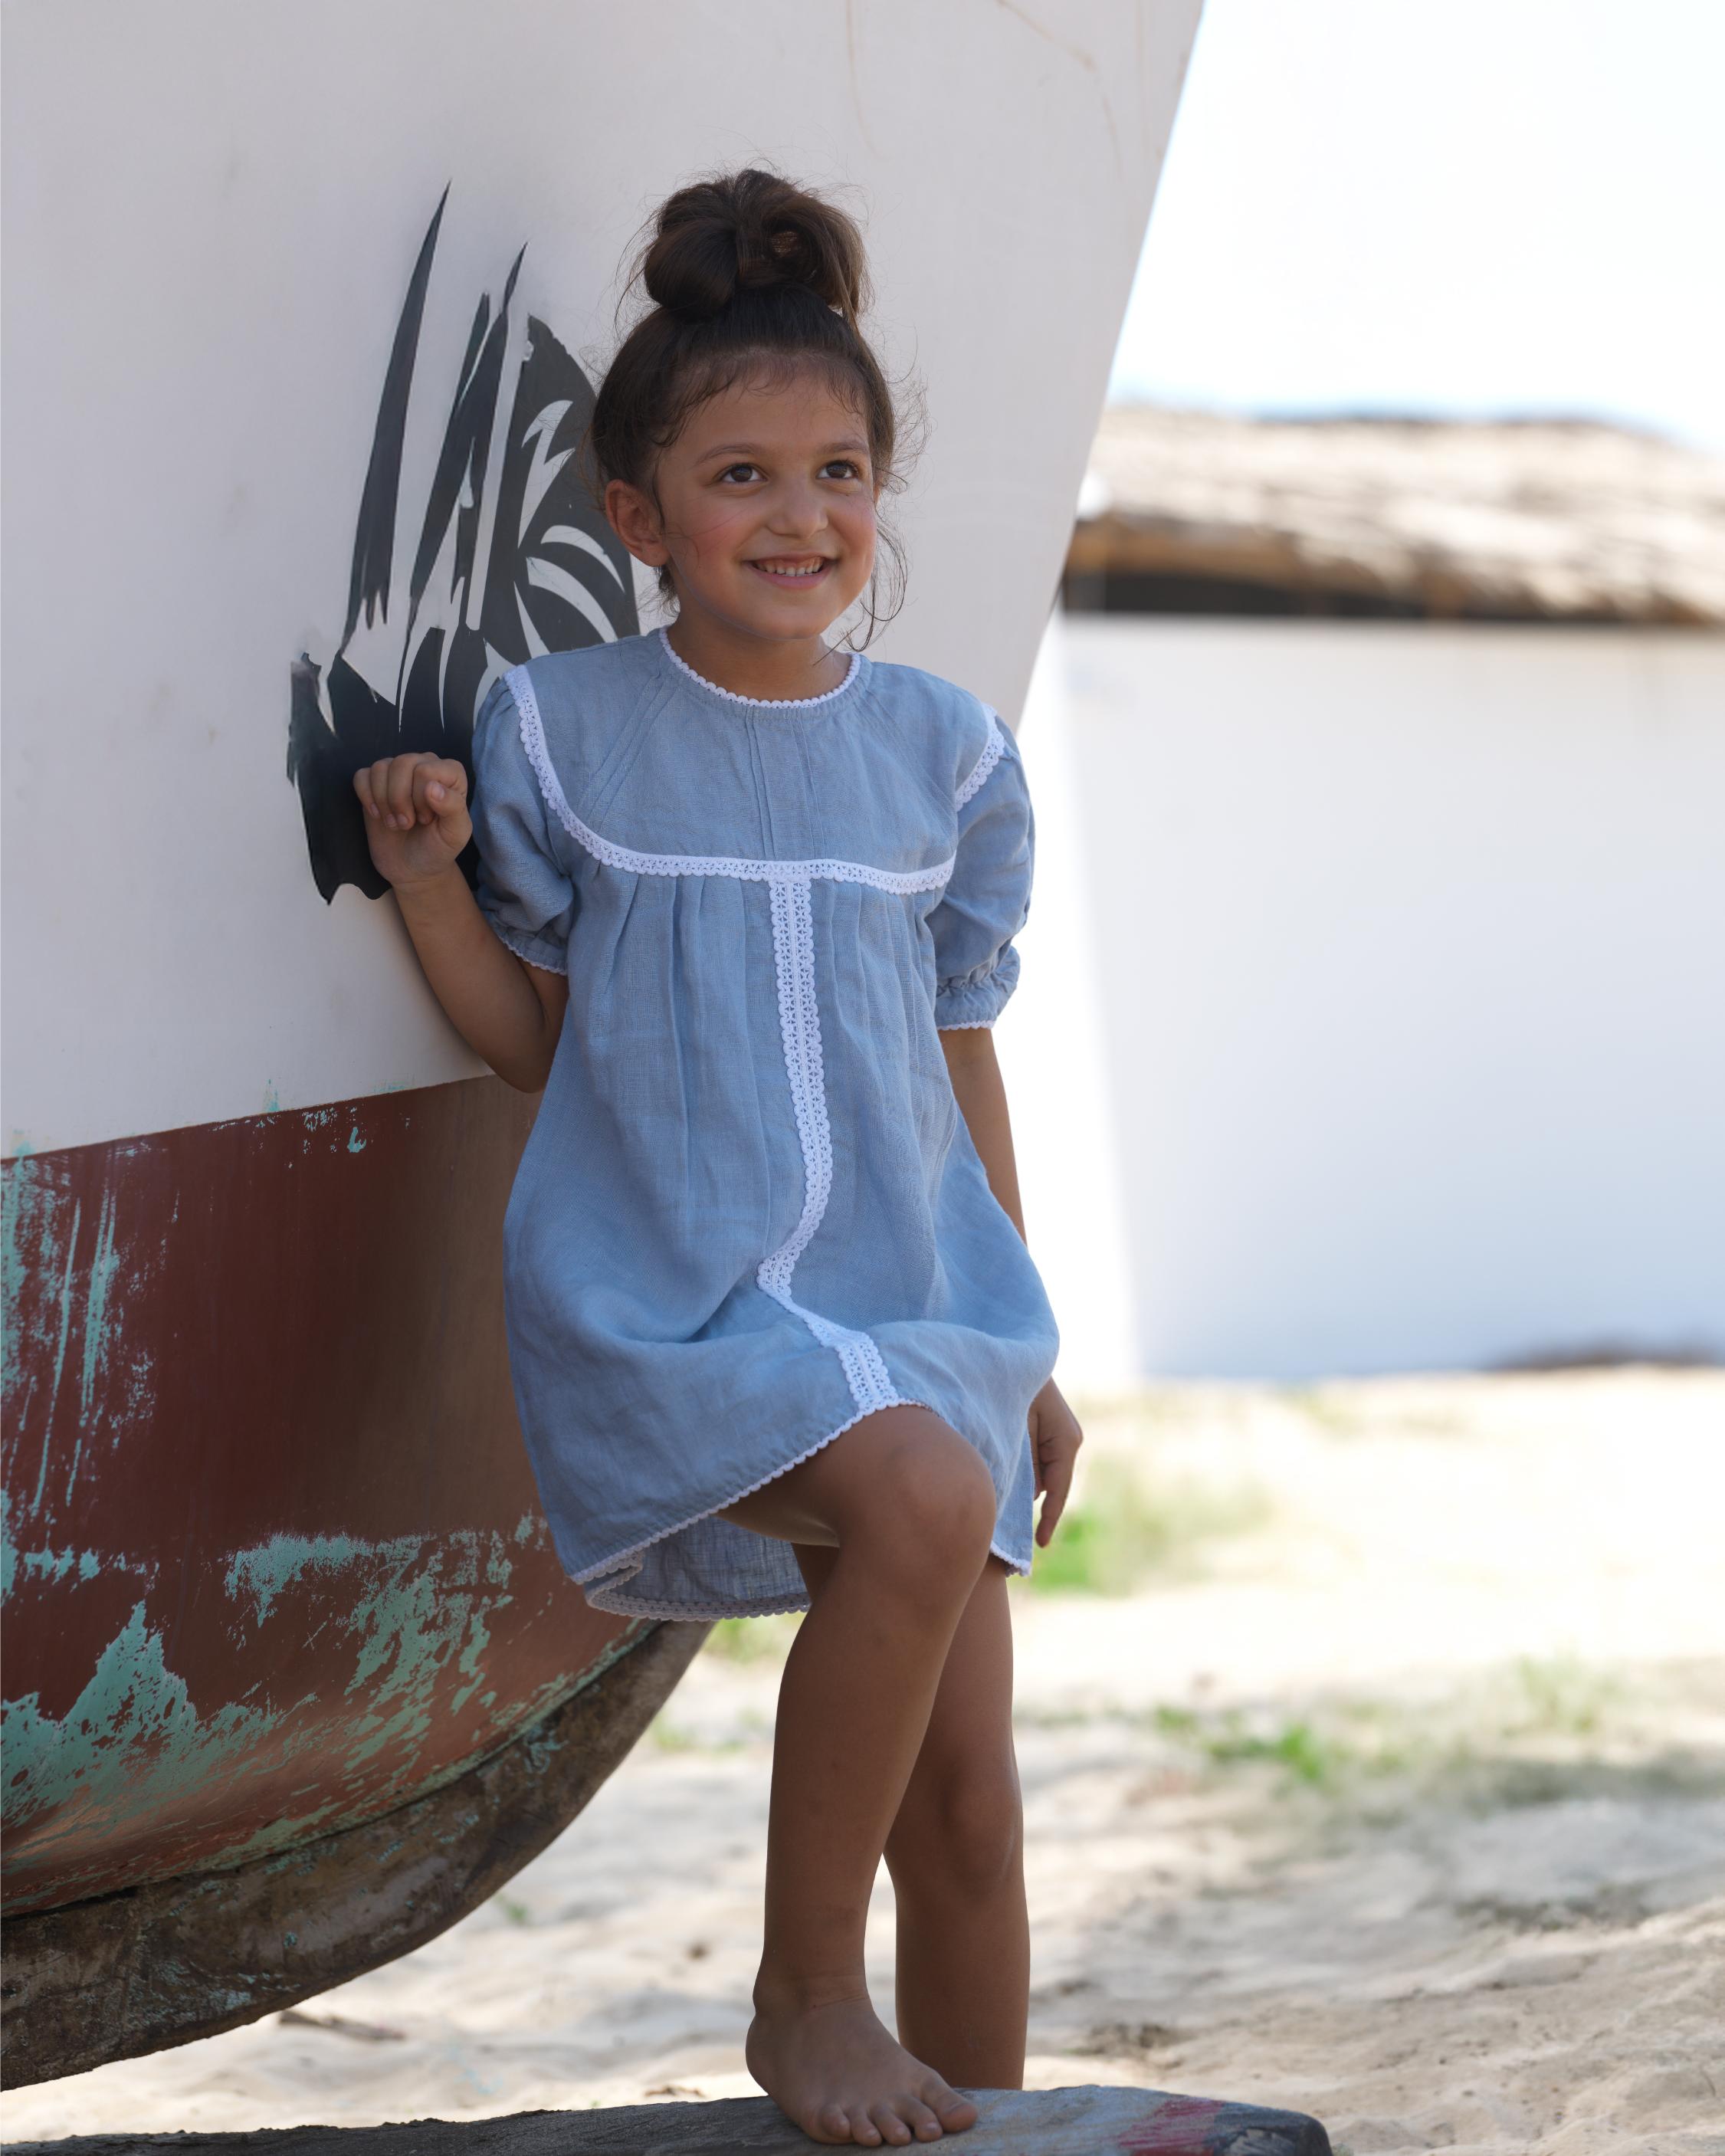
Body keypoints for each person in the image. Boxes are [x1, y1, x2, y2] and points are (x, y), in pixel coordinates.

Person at [353, 168, 1082, 2150]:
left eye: (839, 472)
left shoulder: (942, 752)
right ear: (639, 514)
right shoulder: (561, 731)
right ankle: (803, 1999)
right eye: (740, 475)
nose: (798, 515)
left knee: (971, 1805)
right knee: (916, 1499)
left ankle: (990, 2124)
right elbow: (538, 1041)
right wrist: (429, 882)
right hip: (678, 1298)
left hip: (915, 1300)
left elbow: (956, 1050)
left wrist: (1022, 1339)